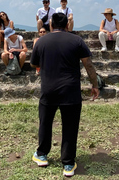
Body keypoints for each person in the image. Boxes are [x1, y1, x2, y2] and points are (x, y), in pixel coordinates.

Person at [30, 12, 99, 177]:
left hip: (48, 90)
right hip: (71, 90)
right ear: (67, 25)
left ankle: (42, 155)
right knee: (70, 127)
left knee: (45, 123)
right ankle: (68, 164)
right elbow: (88, 65)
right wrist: (95, 85)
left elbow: (34, 64)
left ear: (51, 25)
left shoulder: (41, 41)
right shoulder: (77, 41)